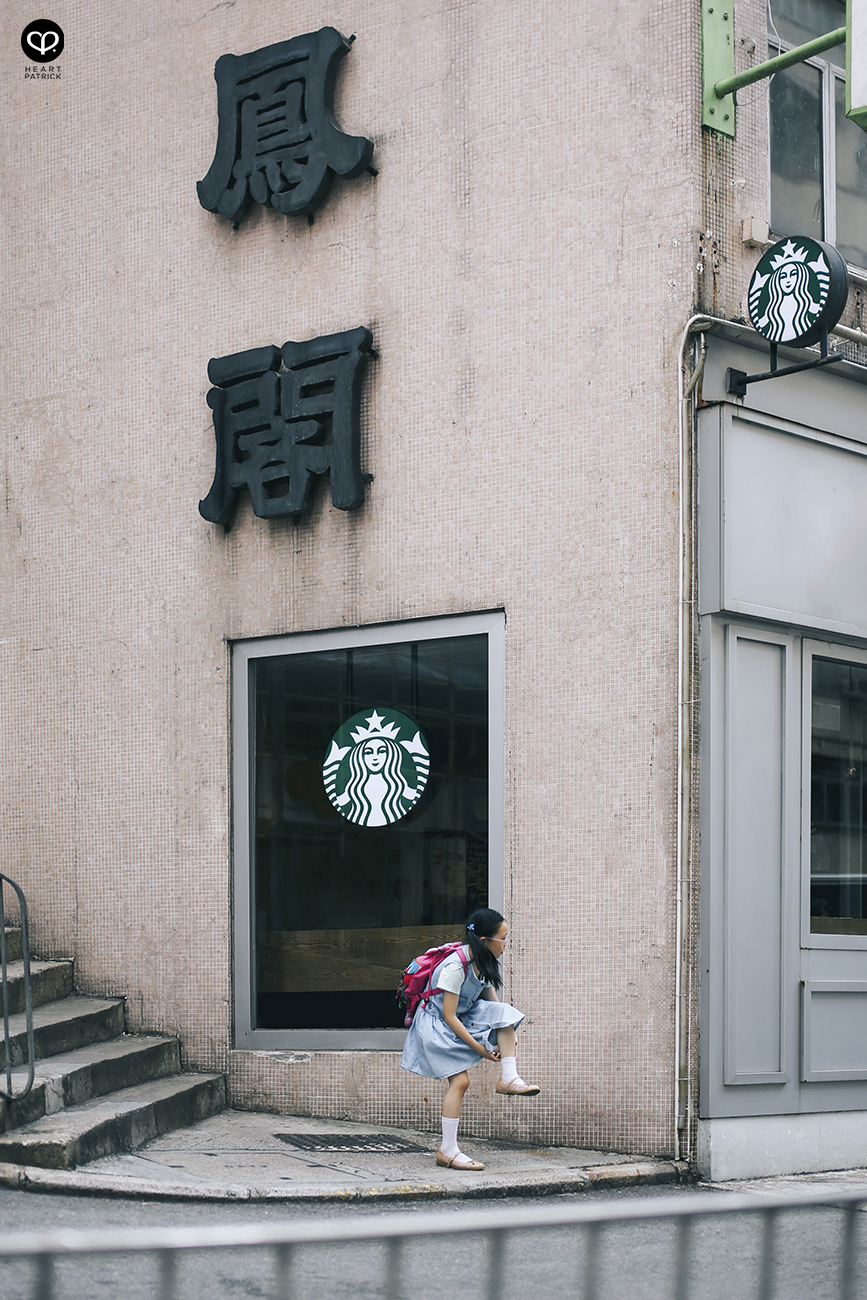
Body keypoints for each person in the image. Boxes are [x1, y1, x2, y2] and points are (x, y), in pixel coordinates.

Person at [400, 907, 540, 1171]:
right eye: (503, 938)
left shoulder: (482, 961)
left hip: (460, 1017)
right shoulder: (455, 967)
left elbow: (495, 1007)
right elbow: (449, 1016)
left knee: (505, 1014)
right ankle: (447, 1151)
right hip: (437, 1024)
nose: (506, 944)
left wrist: (505, 1031)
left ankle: (509, 1077)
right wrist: (480, 1048)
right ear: (485, 940)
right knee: (461, 1081)